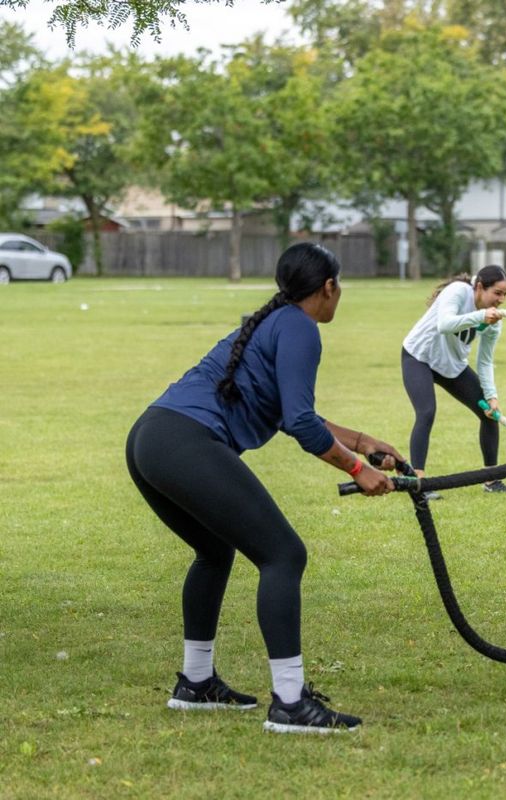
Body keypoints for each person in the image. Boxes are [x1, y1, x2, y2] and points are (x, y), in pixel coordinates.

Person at [126, 242, 404, 734]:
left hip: (151, 438)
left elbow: (287, 412)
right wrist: (358, 470)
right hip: (186, 441)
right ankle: (291, 703)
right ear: (329, 287)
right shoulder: (300, 327)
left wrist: (363, 443)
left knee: (215, 551)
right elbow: (299, 423)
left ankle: (196, 683)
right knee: (284, 554)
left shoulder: (275, 321)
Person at [401, 264, 506, 496]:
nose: (501, 300)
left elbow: (484, 362)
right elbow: (445, 324)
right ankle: (418, 483)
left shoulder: (493, 322)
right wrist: (481, 315)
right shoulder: (458, 291)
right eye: (497, 293)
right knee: (426, 412)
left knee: (488, 415)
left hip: (451, 366)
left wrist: (492, 396)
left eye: (505, 295)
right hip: (419, 356)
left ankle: (491, 480)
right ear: (480, 287)